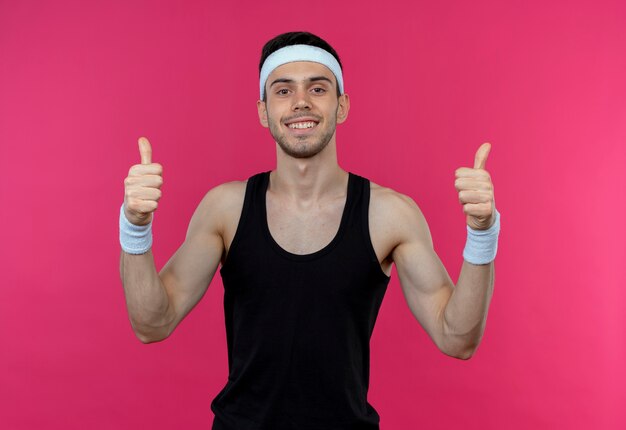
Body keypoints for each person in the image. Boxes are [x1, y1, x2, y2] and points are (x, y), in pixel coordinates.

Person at [119, 31, 501, 430]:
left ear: (342, 106)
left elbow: (457, 338)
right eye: (283, 90)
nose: (301, 101)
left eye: (318, 88)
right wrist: (135, 227)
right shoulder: (225, 210)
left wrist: (482, 233)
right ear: (264, 111)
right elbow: (152, 323)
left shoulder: (390, 214)